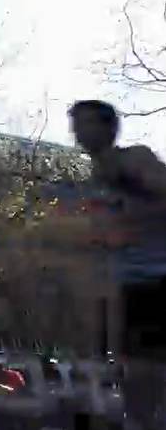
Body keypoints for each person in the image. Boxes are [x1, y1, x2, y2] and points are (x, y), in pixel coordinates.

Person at [69, 99, 166, 430]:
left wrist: (133, 219)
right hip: (127, 284)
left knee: (146, 369)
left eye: (85, 123)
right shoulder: (96, 178)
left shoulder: (135, 159)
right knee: (132, 369)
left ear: (109, 127)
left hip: (157, 276)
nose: (77, 131)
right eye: (75, 124)